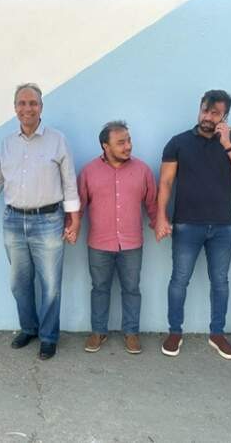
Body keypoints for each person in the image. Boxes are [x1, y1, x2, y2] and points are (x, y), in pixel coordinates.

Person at [0, 83, 80, 360]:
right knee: (19, 283)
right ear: (15, 108)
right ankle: (29, 328)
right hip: (13, 221)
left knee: (51, 285)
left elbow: (69, 182)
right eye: (22, 103)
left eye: (33, 103)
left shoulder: (57, 140)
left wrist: (74, 219)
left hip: (48, 221)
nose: (28, 108)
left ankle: (48, 337)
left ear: (41, 107)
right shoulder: (7, 143)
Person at [156, 90, 231, 360]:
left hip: (223, 226)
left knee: (220, 282)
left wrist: (227, 143)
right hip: (187, 225)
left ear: (224, 116)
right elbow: (165, 182)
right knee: (179, 280)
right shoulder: (178, 142)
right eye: (205, 110)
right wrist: (161, 216)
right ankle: (174, 332)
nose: (208, 117)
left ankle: (217, 333)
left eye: (215, 113)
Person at [78, 120, 158, 354]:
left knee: (132, 288)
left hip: (132, 243)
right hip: (99, 243)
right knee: (99, 288)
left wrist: (159, 224)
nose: (128, 146)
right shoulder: (89, 172)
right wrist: (71, 226)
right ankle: (98, 331)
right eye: (121, 142)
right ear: (106, 146)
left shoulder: (142, 170)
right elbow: (79, 205)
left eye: (129, 140)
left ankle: (131, 333)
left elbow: (152, 203)